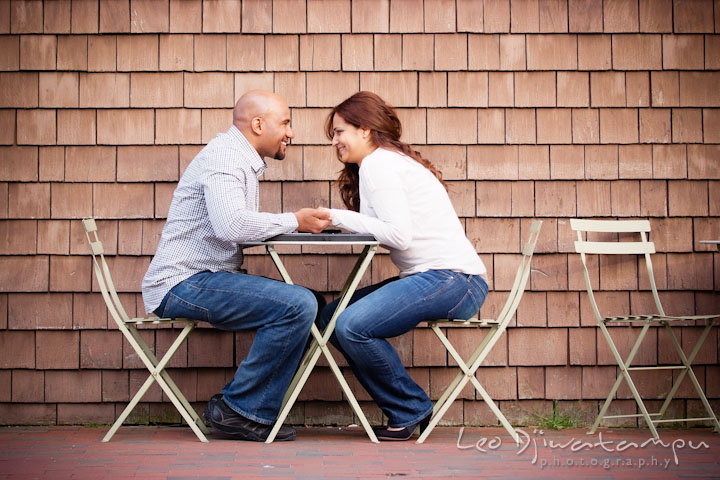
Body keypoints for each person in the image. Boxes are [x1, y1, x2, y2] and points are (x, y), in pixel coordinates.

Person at [142, 90, 331, 442]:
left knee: (313, 303)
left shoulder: (237, 158)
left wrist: (294, 223)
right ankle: (239, 409)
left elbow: (234, 226)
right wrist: (294, 221)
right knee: (298, 304)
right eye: (286, 123)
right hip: (182, 282)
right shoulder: (227, 158)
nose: (291, 133)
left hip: (205, 278)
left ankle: (251, 408)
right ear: (258, 125)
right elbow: (231, 226)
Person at [317, 91, 489, 441]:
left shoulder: (380, 164)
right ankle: (406, 407)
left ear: (364, 130)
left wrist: (335, 216)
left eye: (339, 132)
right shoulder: (379, 164)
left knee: (349, 325)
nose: (335, 141)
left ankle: (409, 408)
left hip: (454, 279)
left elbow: (398, 235)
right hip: (436, 277)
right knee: (330, 319)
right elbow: (378, 229)